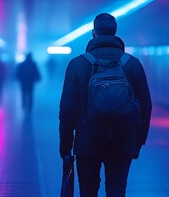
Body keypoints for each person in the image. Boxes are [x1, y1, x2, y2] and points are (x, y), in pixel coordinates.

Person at [59, 13, 152, 196]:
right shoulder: (132, 64)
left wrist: (65, 146)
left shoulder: (78, 64)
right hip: (123, 141)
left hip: (87, 142)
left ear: (93, 33)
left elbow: (67, 110)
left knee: (88, 191)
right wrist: (138, 141)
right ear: (115, 32)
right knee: (117, 190)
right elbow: (146, 105)